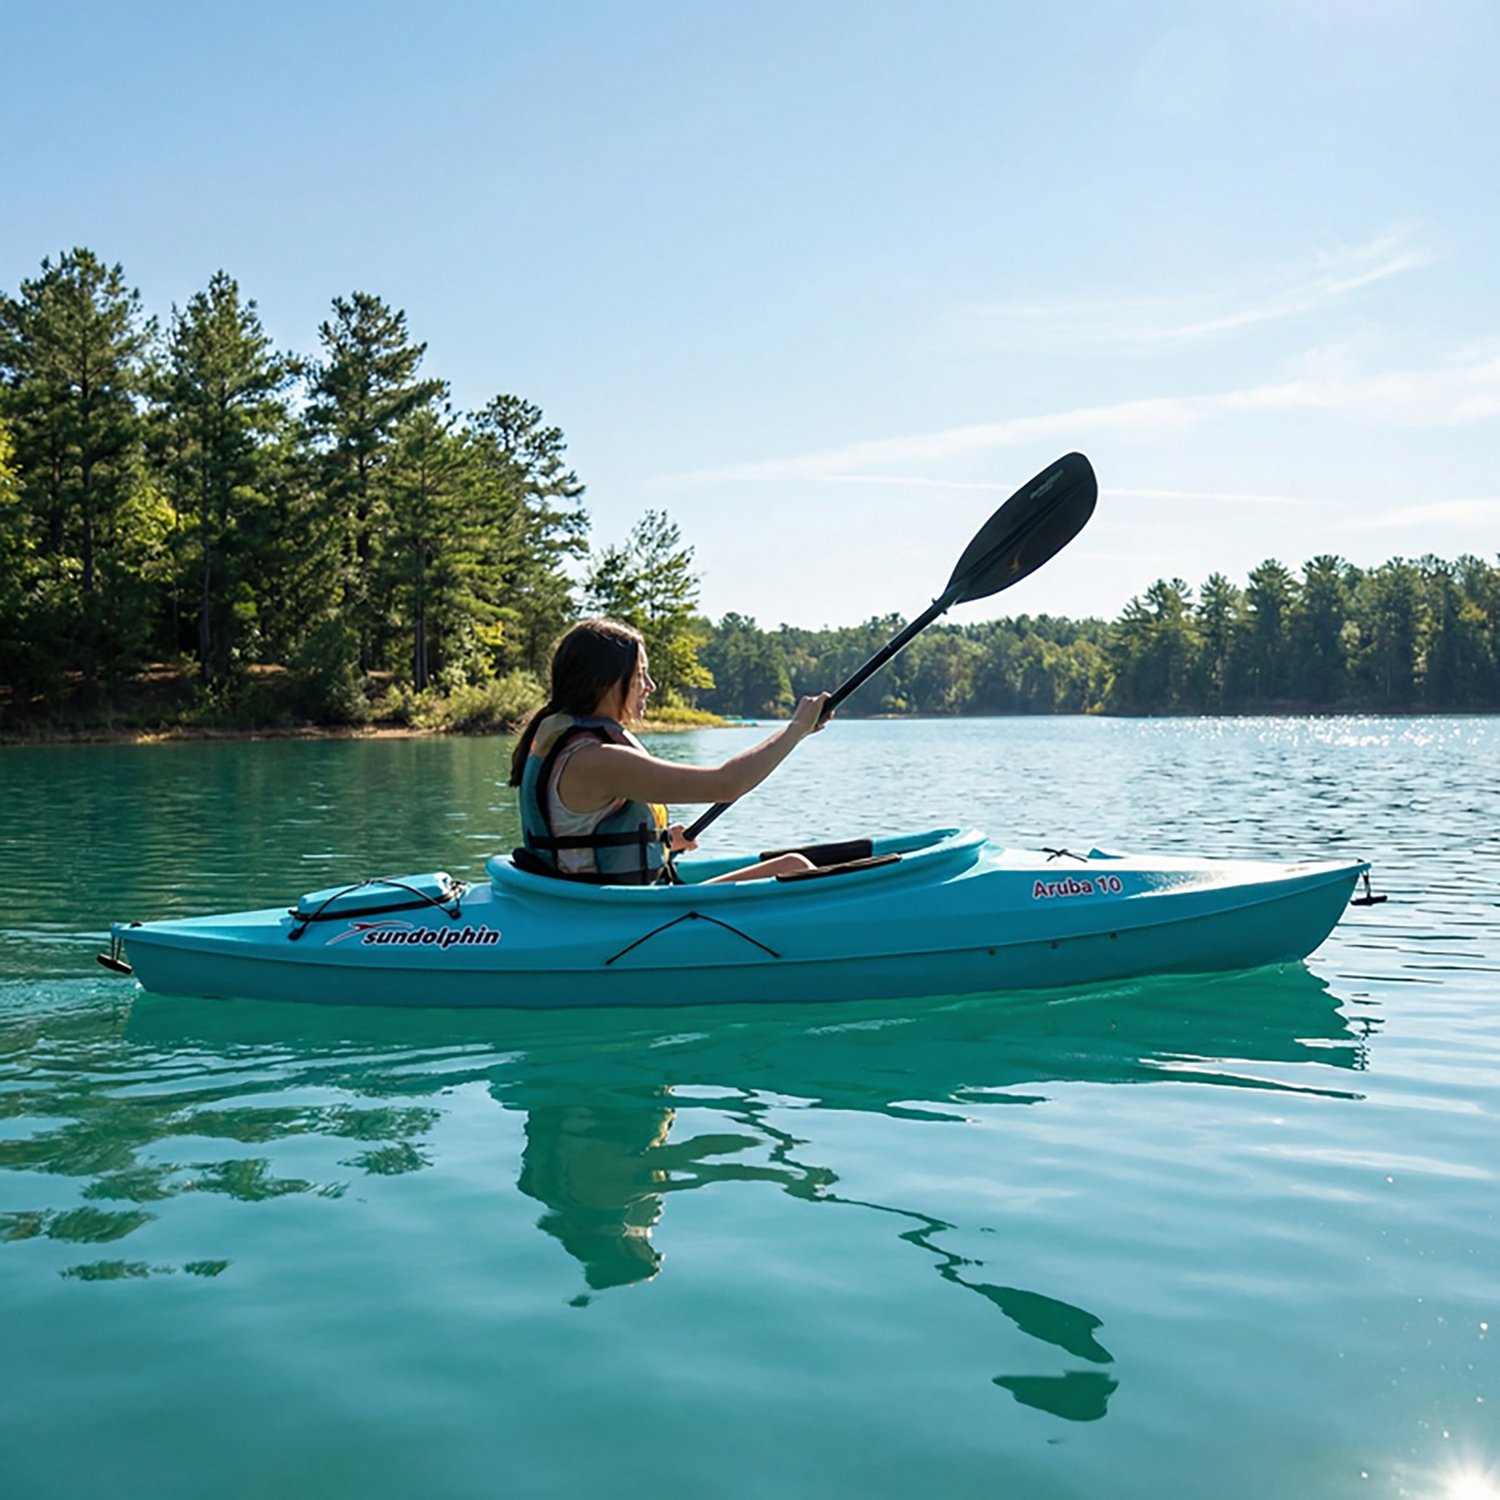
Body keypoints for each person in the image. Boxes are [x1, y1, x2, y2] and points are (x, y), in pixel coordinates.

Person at [508, 618, 831, 885]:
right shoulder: (595, 759)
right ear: (601, 681)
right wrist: (796, 729)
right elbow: (728, 783)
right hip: (620, 916)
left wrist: (660, 840)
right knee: (798, 868)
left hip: (619, 904)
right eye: (639, 675)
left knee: (793, 863)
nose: (650, 685)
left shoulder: (571, 743)